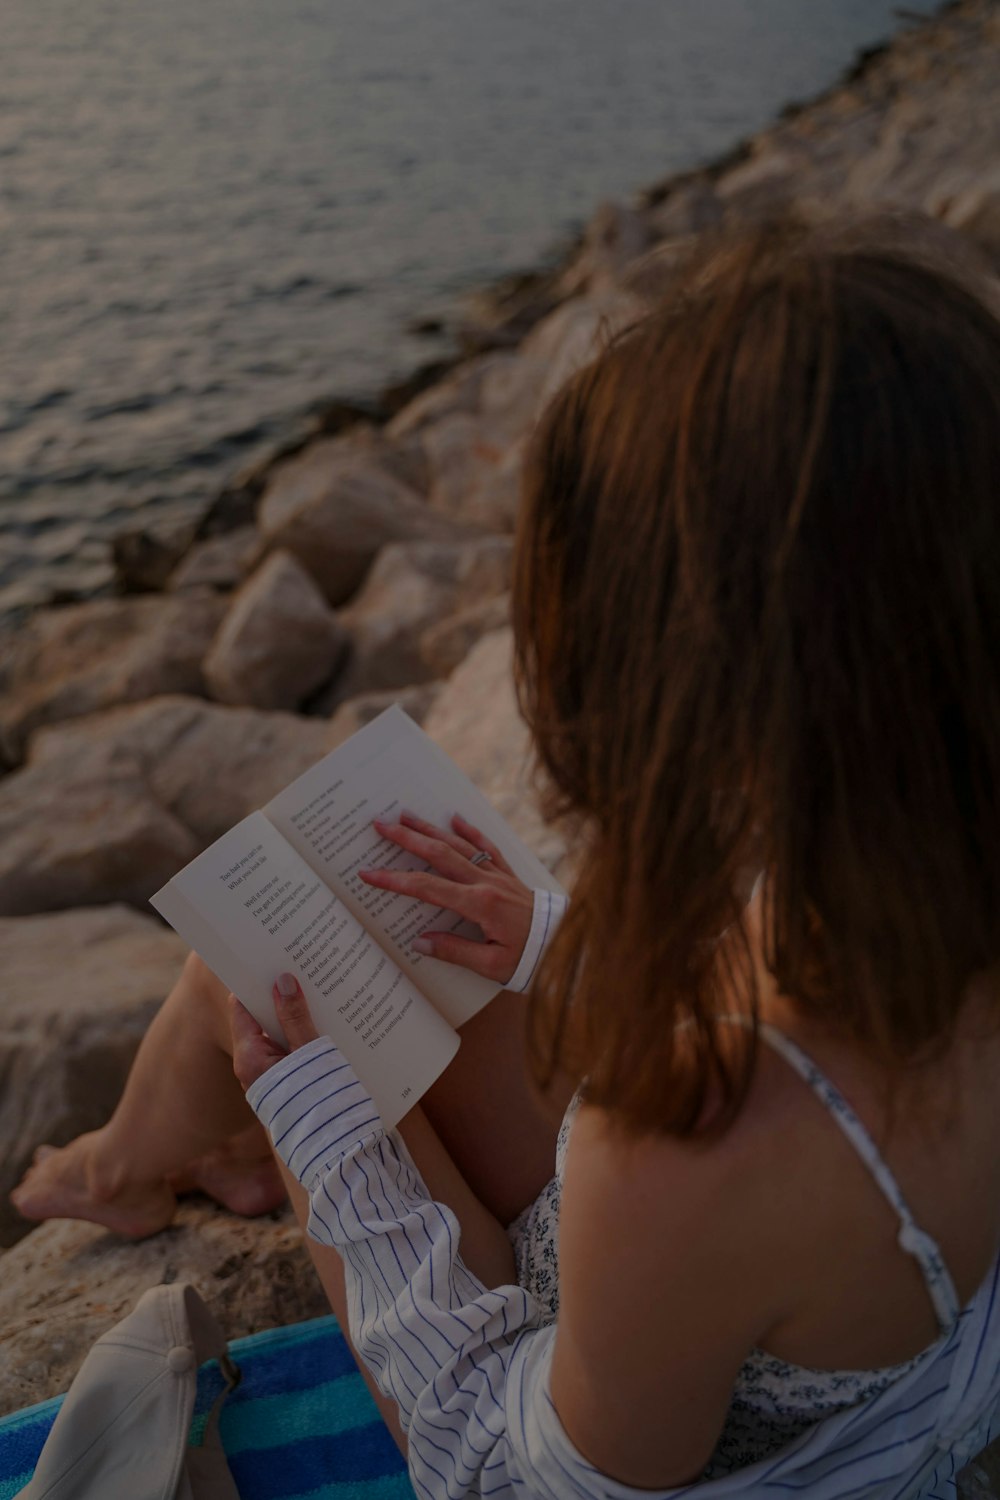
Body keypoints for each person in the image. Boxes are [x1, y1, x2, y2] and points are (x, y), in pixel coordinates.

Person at [11, 214, 1000, 1497]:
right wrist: (553, 950)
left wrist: (337, 1147)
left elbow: (499, 1472)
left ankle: (138, 1167)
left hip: (643, 1366)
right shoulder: (924, 867)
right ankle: (159, 1155)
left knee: (256, 980)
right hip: (805, 1311)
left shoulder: (688, 1151)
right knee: (367, 932)